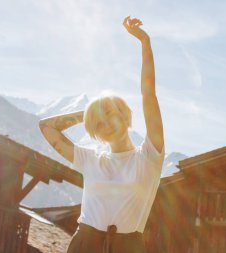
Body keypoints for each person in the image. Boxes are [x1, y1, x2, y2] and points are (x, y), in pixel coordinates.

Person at [39, 16, 165, 253]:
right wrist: (89, 112)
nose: (106, 123)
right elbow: (47, 128)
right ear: (96, 133)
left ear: (126, 116)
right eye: (98, 123)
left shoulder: (149, 157)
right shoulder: (89, 159)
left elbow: (149, 94)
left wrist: (144, 42)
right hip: (83, 245)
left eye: (109, 114)